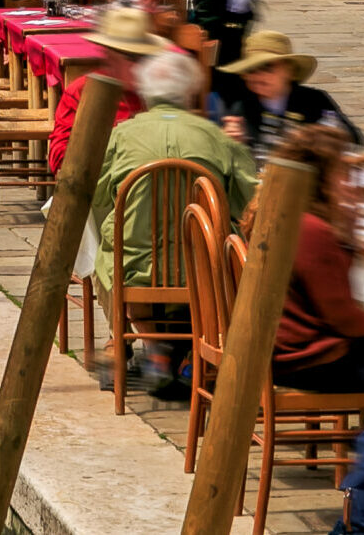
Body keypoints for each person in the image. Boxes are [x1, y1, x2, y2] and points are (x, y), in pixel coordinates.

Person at [92, 48, 261, 392]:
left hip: (134, 267)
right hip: (203, 267)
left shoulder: (121, 135)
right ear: (189, 92)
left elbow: (95, 195)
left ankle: (132, 342)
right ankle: (193, 346)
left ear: (145, 92)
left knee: (105, 249)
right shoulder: (218, 138)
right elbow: (250, 203)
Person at [271, 126, 364, 394]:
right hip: (310, 360)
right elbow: (343, 317)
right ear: (323, 178)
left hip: (282, 350)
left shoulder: (284, 214)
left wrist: (347, 235)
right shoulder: (313, 231)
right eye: (343, 172)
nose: (351, 182)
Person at [214, 31, 362, 163]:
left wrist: (319, 138)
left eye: (267, 67)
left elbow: (354, 139)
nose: (258, 76)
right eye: (251, 70)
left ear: (289, 70)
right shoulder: (240, 105)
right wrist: (231, 141)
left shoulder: (314, 100)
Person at [48, 3, 163, 171]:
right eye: (133, 57)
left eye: (146, 57)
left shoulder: (161, 91)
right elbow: (58, 158)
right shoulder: (82, 91)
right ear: (110, 58)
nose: (142, 66)